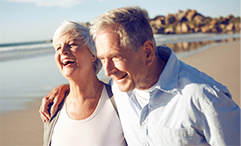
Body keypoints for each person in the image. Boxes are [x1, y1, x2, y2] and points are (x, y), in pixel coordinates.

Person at [40, 7, 240, 146]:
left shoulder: (204, 98)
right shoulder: (120, 89)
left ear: (147, 52)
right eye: (102, 58)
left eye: (115, 57)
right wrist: (65, 88)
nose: (108, 71)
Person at [42, 20, 126, 146]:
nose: (63, 51)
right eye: (58, 48)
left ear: (93, 54)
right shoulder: (52, 107)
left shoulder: (119, 98)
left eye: (71, 44)